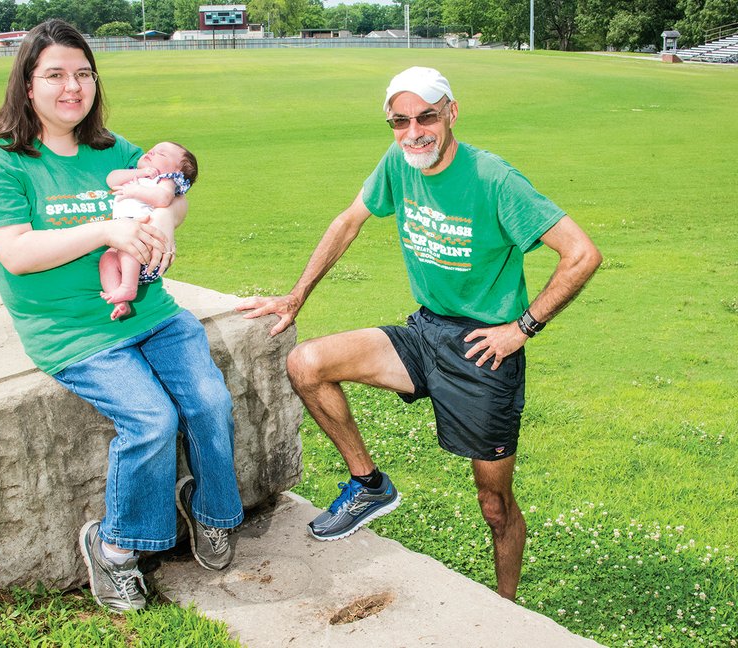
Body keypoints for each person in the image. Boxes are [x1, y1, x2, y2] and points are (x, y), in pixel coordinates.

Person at [237, 66, 602, 601]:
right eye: (400, 121)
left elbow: (582, 254)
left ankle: (507, 609)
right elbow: (348, 222)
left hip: (485, 352)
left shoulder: (493, 178)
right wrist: (296, 297)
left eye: (426, 116)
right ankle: (369, 486)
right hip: (426, 332)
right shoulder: (398, 163)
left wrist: (520, 329)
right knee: (307, 364)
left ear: (451, 112)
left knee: (494, 505)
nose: (414, 132)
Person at [0, 19, 243, 613]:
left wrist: (161, 225)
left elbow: (173, 189)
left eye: (83, 73)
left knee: (209, 401)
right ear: (27, 84)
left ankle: (213, 512)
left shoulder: (110, 148)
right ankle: (114, 549)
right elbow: (15, 252)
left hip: (154, 313)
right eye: (55, 74)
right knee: (152, 421)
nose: (73, 86)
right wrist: (106, 230)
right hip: (71, 330)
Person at [101, 141, 198, 320]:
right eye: (152, 149)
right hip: (122, 237)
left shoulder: (165, 180)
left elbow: (162, 199)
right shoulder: (135, 175)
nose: (152, 152)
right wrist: (138, 173)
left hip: (146, 242)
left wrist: (136, 190)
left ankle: (129, 287)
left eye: (162, 154)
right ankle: (120, 302)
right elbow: (111, 179)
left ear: (177, 172)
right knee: (107, 259)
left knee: (128, 246)